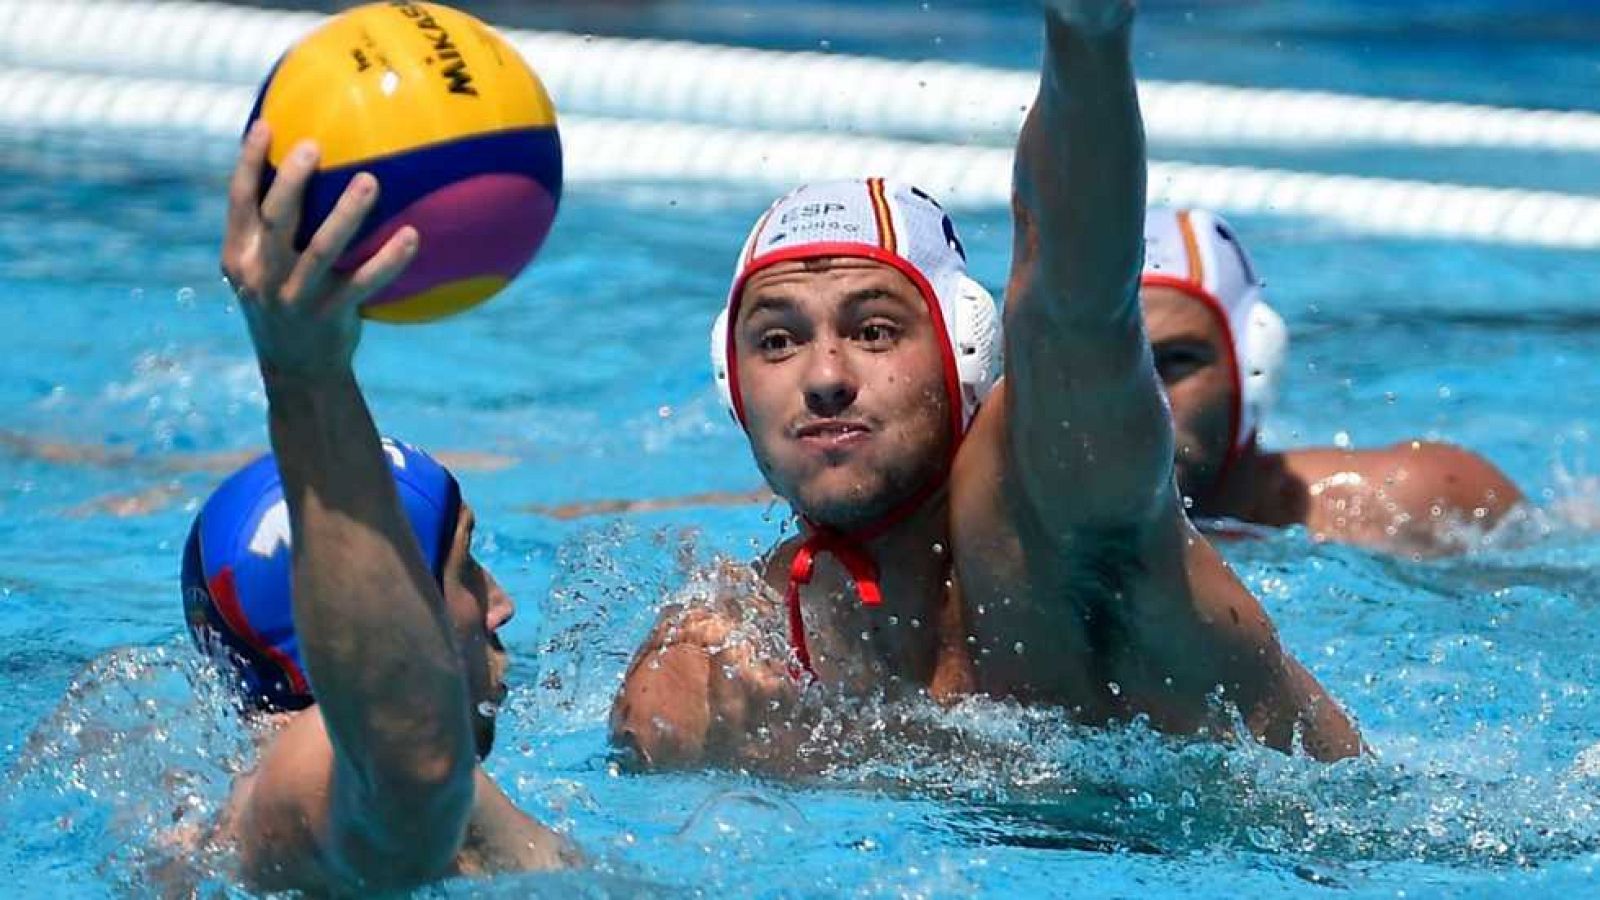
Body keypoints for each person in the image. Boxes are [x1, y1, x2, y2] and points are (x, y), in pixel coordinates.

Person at [609, 0, 1364, 772]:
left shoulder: (1051, 505)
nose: (825, 377)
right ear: (732, 386)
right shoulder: (742, 643)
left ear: (965, 354)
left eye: (874, 331)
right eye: (777, 340)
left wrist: (1086, 36)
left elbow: (1078, 300)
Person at [206, 122, 577, 893]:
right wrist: (305, 376)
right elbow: (412, 759)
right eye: (463, 564)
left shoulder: (216, 806)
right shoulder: (311, 788)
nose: (501, 605)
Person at [1139, 205, 1524, 555]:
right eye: (1108, 365)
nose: (1143, 395)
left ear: (1253, 364)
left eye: (1176, 360)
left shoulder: (1402, 505)